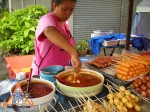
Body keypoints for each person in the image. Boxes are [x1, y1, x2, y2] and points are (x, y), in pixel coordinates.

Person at [31, 0, 81, 75]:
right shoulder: (47, 19)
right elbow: (49, 31)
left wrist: (71, 57)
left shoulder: (64, 24)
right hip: (44, 74)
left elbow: (63, 48)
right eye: (64, 9)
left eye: (71, 9)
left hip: (60, 72)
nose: (68, 13)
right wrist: (73, 52)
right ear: (54, 6)